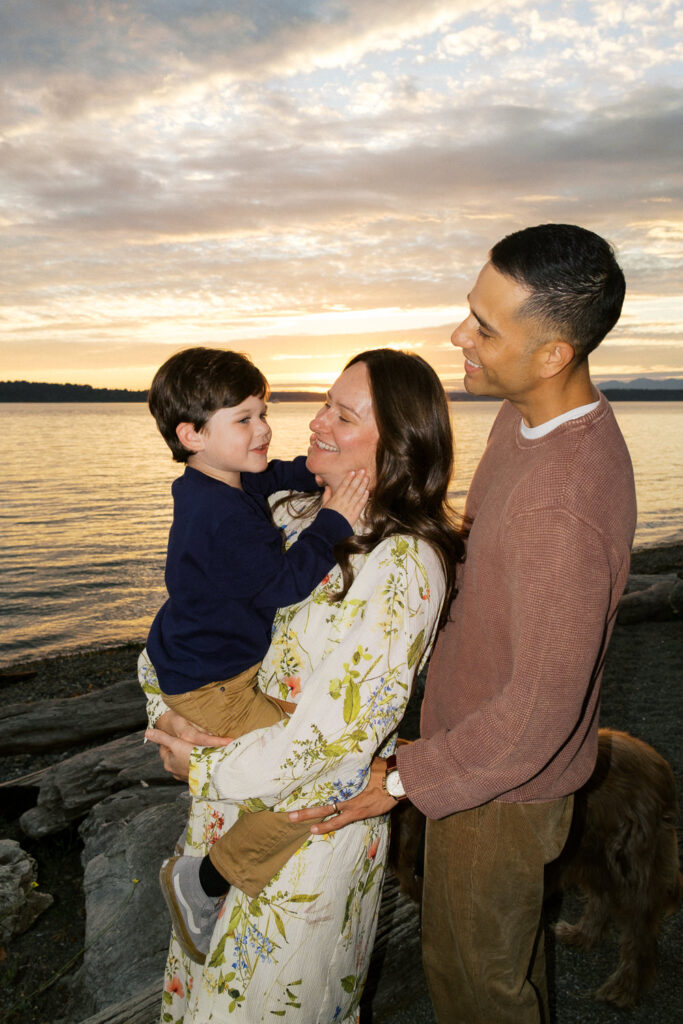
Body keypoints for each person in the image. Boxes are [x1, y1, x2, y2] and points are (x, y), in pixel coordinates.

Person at [289, 224, 637, 1024]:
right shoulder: (525, 417)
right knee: (501, 960)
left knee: (475, 983)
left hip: (500, 792)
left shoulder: (566, 502)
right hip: (476, 749)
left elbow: (535, 717)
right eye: (467, 312)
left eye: (484, 327)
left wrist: (401, 782)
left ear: (553, 354)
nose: (458, 336)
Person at [143, 348, 466, 1023]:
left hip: (302, 847)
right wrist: (166, 716)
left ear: (399, 444)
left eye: (342, 415)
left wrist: (200, 763)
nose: (313, 422)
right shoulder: (289, 510)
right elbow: (189, 625)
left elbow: (335, 742)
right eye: (323, 402)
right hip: (224, 815)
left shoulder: (404, 565)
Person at [143, 346, 370, 962]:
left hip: (199, 665)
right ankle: (204, 880)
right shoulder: (220, 518)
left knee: (303, 767)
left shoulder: (214, 482)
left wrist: (311, 471)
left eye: (263, 412)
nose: (264, 428)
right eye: (244, 419)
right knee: (311, 782)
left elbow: (267, 478)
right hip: (214, 686)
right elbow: (284, 584)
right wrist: (335, 517)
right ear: (191, 434)